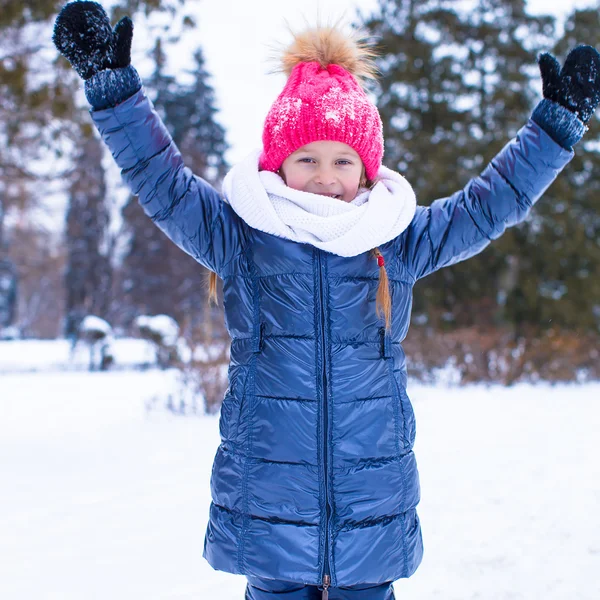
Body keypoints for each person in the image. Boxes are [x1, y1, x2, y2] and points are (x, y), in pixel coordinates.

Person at [52, 2, 600, 599]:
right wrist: (115, 95)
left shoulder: (395, 239)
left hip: (371, 493)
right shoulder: (241, 237)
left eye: (342, 160)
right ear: (279, 164)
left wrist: (553, 129)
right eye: (306, 158)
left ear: (366, 170)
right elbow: (162, 181)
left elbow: (489, 204)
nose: (324, 175)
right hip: (269, 492)